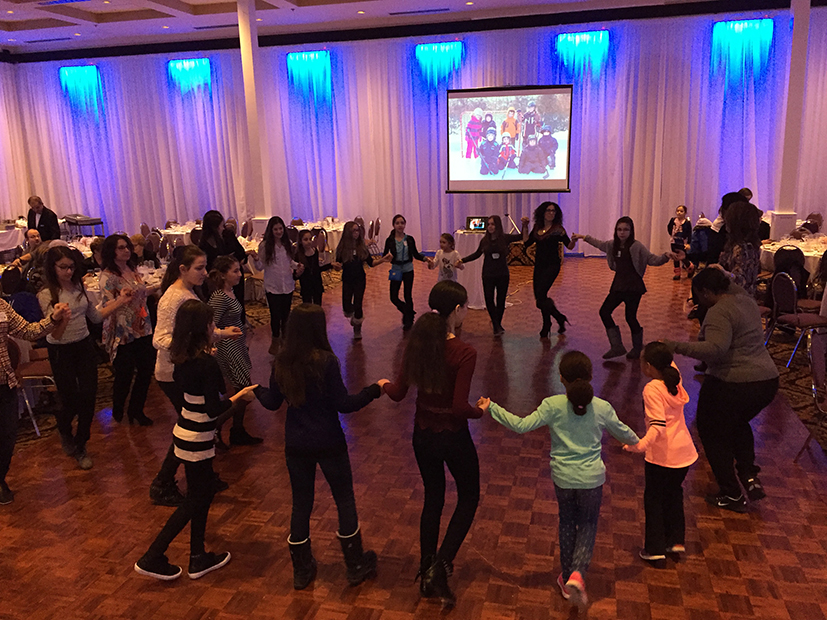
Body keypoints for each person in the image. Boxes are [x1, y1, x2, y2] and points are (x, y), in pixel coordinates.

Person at [479, 350, 639, 611]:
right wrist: (641, 445)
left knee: (567, 522)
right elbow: (625, 434)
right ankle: (578, 573)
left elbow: (521, 425)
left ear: (562, 378)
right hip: (592, 480)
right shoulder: (602, 407)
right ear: (589, 376)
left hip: (563, 478)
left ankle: (566, 579)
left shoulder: (552, 405)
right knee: (587, 525)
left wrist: (492, 407)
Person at [255, 304, 385, 590]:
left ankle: (301, 570)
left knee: (301, 504)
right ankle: (355, 565)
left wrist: (256, 391)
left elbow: (272, 402)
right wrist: (373, 390)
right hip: (329, 441)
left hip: (296, 444)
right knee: (344, 499)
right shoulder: (326, 361)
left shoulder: (281, 362)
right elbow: (343, 404)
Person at [134, 300, 257, 581]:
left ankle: (198, 556)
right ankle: (153, 555)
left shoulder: (180, 357)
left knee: (202, 495)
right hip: (198, 435)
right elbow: (214, 409)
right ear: (203, 327)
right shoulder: (206, 363)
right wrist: (240, 397)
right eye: (211, 323)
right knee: (195, 499)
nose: (213, 326)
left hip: (185, 430)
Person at [383, 281, 481, 608]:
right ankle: (441, 566)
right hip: (453, 436)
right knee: (469, 495)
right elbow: (459, 408)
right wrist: (481, 411)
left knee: (433, 497)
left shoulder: (418, 343)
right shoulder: (464, 352)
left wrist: (382, 385)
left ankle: (426, 566)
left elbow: (398, 393)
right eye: (465, 308)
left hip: (422, 434)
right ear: (457, 310)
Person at [663, 268, 779, 512]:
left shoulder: (719, 311)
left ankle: (731, 493)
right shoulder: (746, 300)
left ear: (706, 292)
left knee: (711, 432)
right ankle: (749, 475)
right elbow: (732, 283)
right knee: (737, 423)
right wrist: (724, 274)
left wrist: (673, 346)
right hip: (767, 381)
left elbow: (715, 349)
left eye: (698, 295)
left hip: (734, 382)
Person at [149, 245, 242, 506]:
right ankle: (163, 483)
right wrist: (193, 352)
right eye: (199, 268)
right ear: (183, 269)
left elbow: (196, 330)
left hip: (186, 370)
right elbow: (160, 339)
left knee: (201, 424)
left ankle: (205, 476)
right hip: (174, 374)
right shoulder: (173, 298)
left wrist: (221, 334)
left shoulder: (188, 291)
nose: (204, 272)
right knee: (191, 428)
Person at [38, 246, 132, 470]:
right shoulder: (46, 294)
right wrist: (60, 319)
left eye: (72, 267)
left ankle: (81, 444)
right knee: (70, 399)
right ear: (52, 267)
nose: (69, 271)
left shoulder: (78, 286)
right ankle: (64, 428)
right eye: (63, 267)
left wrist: (120, 301)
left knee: (89, 397)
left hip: (83, 346)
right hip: (60, 350)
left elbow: (96, 317)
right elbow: (53, 335)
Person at [623, 342, 697, 564]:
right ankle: (675, 540)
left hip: (663, 455)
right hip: (684, 453)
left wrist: (639, 445)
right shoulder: (674, 380)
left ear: (648, 366)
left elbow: (657, 426)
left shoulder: (652, 389)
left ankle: (655, 548)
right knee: (674, 493)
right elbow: (668, 361)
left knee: (654, 499)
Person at [572, 217, 680, 359]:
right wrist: (583, 237)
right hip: (619, 285)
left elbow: (652, 259)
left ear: (631, 231)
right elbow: (599, 244)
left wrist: (666, 256)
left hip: (633, 286)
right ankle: (617, 346)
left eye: (626, 230)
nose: (622, 233)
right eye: (619, 229)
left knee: (630, 317)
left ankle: (637, 348)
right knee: (604, 311)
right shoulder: (612, 245)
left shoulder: (636, 246)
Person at [0, 297, 69, 505]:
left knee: (8, 436)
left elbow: (28, 331)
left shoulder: (1, 305)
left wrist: (54, 318)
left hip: (4, 384)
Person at [99, 234, 156, 426]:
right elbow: (107, 306)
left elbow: (140, 292)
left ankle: (136, 409)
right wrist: (122, 298)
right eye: (121, 248)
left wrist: (156, 288)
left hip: (141, 325)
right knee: (124, 373)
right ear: (111, 251)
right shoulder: (108, 276)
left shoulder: (132, 268)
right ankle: (118, 409)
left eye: (127, 247)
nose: (126, 250)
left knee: (146, 370)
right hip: (122, 330)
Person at [208, 255, 262, 447]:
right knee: (243, 390)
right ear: (223, 275)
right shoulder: (219, 297)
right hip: (227, 346)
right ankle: (217, 425)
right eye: (235, 271)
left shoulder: (229, 291)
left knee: (244, 390)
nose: (240, 274)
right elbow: (210, 325)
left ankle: (237, 430)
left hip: (236, 344)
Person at [458, 215, 528, 335]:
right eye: (489, 224)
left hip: (502, 274)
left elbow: (522, 237)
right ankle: (496, 325)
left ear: (498, 226)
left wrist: (525, 225)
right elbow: (476, 254)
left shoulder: (505, 238)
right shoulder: (484, 241)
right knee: (489, 299)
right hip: (488, 274)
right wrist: (462, 260)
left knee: (501, 300)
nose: (490, 227)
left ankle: (497, 324)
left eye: (493, 224)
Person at [525, 202, 576, 337]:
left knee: (541, 295)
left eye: (553, 211)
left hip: (552, 265)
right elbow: (527, 242)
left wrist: (574, 240)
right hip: (539, 266)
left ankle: (547, 324)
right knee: (540, 299)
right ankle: (558, 318)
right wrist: (524, 226)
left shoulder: (558, 229)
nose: (551, 213)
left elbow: (569, 246)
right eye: (548, 210)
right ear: (542, 212)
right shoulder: (537, 228)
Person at [254, 216, 296, 354]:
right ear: (271, 230)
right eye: (275, 229)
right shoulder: (265, 246)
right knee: (275, 315)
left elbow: (290, 262)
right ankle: (275, 339)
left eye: (280, 228)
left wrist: (297, 266)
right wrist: (256, 259)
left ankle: (285, 341)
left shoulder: (287, 244)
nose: (278, 232)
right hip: (273, 286)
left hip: (287, 284)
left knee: (286, 315)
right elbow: (260, 266)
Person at [198, 210, 250, 315]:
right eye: (221, 226)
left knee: (238, 305)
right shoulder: (204, 244)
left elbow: (241, 254)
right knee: (220, 310)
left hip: (234, 277)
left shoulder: (228, 235)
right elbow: (207, 266)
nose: (223, 228)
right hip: (217, 282)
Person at [382, 214, 429, 331]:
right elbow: (384, 255)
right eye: (397, 223)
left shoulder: (409, 239)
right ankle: (408, 311)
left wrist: (425, 259)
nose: (400, 225)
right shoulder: (389, 240)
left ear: (405, 225)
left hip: (408, 270)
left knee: (408, 295)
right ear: (393, 225)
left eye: (402, 223)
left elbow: (416, 254)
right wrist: (387, 257)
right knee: (393, 297)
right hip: (396, 269)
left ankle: (408, 320)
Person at [333, 221, 376, 340]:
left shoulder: (361, 247)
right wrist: (336, 266)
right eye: (353, 231)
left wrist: (383, 260)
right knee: (346, 306)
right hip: (347, 279)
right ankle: (355, 317)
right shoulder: (342, 248)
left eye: (357, 230)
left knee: (358, 303)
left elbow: (371, 262)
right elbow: (338, 264)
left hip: (360, 279)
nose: (356, 233)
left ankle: (357, 328)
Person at [719, 201, 762, 297]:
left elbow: (740, 281)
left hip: (739, 299)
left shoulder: (744, 248)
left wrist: (722, 272)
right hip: (732, 296)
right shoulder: (736, 243)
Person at [294, 230, 332, 306]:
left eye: (310, 239)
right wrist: (298, 273)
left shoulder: (315, 251)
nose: (309, 242)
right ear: (300, 241)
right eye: (305, 240)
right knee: (307, 307)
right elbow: (296, 275)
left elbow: (317, 269)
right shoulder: (298, 255)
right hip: (306, 285)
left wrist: (330, 265)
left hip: (316, 284)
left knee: (317, 306)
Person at [667, 205, 692, 280]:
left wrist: (688, 243)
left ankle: (690, 267)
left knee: (683, 257)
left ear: (685, 213)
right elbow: (669, 228)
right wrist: (672, 235)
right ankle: (677, 274)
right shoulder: (673, 220)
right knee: (675, 257)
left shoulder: (686, 222)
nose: (679, 213)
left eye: (681, 211)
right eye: (677, 211)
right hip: (674, 241)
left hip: (682, 242)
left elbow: (689, 233)